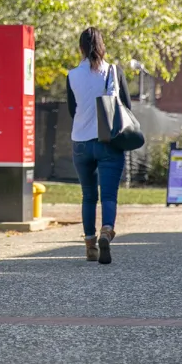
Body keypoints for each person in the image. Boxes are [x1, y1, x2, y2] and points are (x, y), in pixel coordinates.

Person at [66, 27, 131, 264]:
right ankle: (106, 231)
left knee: (88, 196)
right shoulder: (114, 71)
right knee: (109, 195)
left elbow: (72, 110)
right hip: (109, 142)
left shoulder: (72, 75)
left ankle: (90, 246)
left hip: (81, 142)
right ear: (102, 46)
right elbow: (126, 107)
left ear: (81, 48)